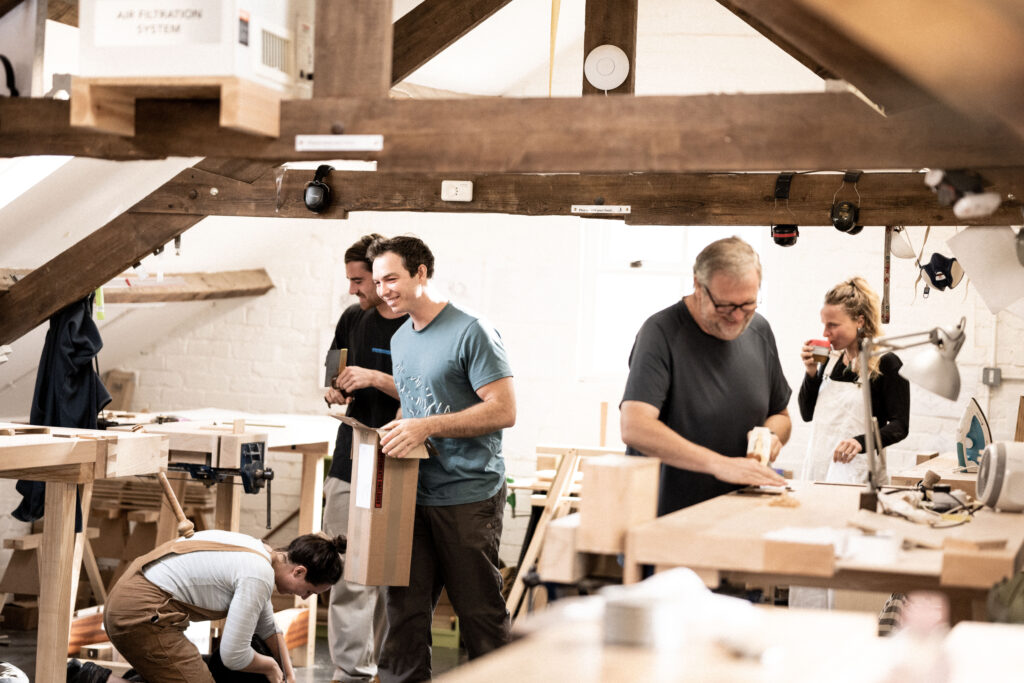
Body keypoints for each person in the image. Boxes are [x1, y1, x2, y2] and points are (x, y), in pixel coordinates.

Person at [366, 235, 516, 683]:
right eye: (377, 281)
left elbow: (503, 410)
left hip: (468, 495)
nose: (383, 289)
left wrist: (425, 427)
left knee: (479, 615)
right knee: (403, 614)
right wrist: (395, 432)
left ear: (421, 272)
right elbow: (417, 407)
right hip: (411, 494)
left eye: (391, 278)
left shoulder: (472, 330)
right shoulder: (399, 339)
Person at [620, 236, 790, 516]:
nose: (737, 317)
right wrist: (720, 464)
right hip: (666, 519)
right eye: (725, 306)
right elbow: (634, 427)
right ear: (699, 286)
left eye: (747, 304)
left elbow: (781, 416)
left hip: (736, 516)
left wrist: (769, 436)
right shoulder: (660, 333)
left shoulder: (759, 331)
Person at [322, 234, 407, 683]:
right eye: (352, 281)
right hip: (350, 457)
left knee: (388, 574)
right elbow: (332, 374)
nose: (354, 290)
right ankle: (350, 673)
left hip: (397, 460)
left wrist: (376, 377)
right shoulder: (352, 318)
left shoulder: (418, 324)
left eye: (360, 281)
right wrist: (333, 387)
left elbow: (431, 393)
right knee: (346, 570)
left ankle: (382, 671)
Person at [103, 530, 344, 683]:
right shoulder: (258, 575)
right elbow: (233, 656)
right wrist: (272, 668)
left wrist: (290, 675)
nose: (303, 598)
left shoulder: (260, 552)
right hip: (139, 614)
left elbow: (267, 626)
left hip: (135, 600)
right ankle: (92, 678)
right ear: (299, 571)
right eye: (309, 591)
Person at [798, 277, 910, 484]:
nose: (825, 333)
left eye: (833, 325)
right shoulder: (831, 362)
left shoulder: (887, 363)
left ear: (859, 321)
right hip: (819, 470)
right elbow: (806, 414)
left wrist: (860, 442)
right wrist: (811, 372)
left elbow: (900, 425)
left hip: (859, 475)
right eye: (824, 325)